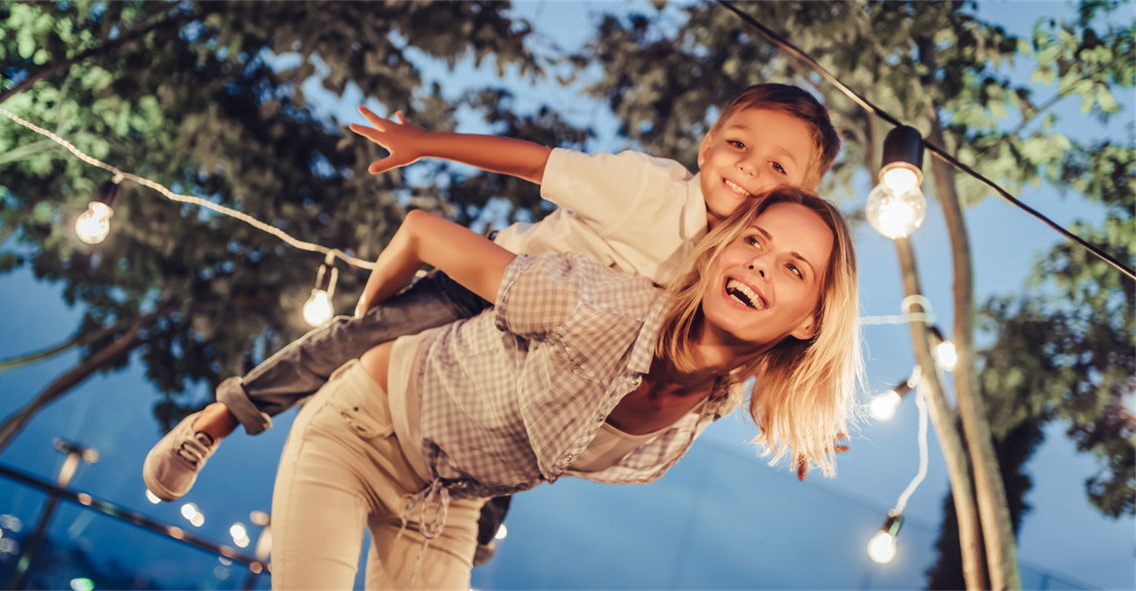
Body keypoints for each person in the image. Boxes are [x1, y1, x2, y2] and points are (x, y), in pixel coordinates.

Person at [142, 83, 841, 550]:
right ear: (706, 145)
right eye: (738, 144)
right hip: (496, 290)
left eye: (777, 168)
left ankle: (473, 526)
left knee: (543, 429)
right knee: (362, 334)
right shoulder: (645, 189)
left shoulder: (741, 265)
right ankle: (222, 417)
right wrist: (425, 141)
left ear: (801, 196)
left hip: (554, 367)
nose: (747, 169)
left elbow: (737, 363)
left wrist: (804, 422)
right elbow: (537, 163)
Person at [269, 187, 862, 589]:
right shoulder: (594, 302)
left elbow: (768, 380)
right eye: (755, 240)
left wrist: (799, 415)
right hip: (362, 432)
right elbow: (423, 233)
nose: (761, 263)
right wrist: (368, 331)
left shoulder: (712, 401)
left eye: (794, 267)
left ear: (812, 319)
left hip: (448, 501)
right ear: (722, 250)